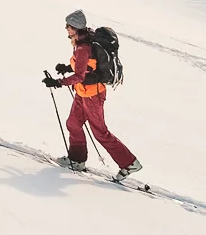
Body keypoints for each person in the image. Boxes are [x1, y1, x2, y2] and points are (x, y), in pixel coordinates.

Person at [45, 10, 143, 178]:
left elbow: (79, 76)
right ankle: (77, 160)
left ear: (75, 28)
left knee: (100, 132)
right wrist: (66, 68)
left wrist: (58, 82)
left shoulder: (83, 47)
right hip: (83, 93)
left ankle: (129, 163)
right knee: (73, 124)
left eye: (68, 26)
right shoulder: (83, 41)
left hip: (93, 96)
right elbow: (88, 66)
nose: (66, 29)